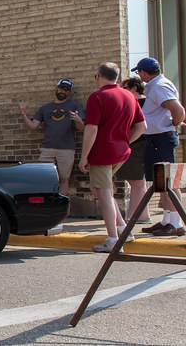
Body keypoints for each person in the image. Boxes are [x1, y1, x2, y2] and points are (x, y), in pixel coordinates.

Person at [79, 62, 147, 253]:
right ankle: (123, 228)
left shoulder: (97, 97)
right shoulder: (129, 96)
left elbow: (91, 129)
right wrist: (126, 141)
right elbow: (142, 126)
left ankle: (113, 239)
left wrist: (84, 156)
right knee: (101, 189)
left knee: (103, 192)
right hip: (121, 153)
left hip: (102, 153)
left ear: (98, 77)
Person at [132, 57, 186, 236]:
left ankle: (176, 223)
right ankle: (166, 220)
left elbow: (178, 111)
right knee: (160, 182)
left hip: (161, 138)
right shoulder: (155, 86)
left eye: (138, 72)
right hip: (155, 139)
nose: (139, 76)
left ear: (144, 72)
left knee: (168, 182)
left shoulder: (160, 86)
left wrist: (174, 123)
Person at [18, 79, 84, 196]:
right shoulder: (45, 108)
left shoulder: (74, 106)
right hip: (47, 148)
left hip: (66, 149)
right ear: (56, 88)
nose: (63, 91)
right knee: (43, 177)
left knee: (64, 179)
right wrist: (24, 115)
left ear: (69, 92)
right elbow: (33, 126)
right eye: (61, 88)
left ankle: (60, 204)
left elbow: (81, 128)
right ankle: (47, 204)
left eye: (66, 90)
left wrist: (78, 120)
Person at [116, 77, 149, 223]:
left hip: (136, 145)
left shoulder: (140, 103)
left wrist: (127, 142)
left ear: (135, 88)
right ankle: (141, 215)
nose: (123, 91)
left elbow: (140, 126)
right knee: (138, 182)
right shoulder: (148, 102)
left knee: (136, 182)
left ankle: (137, 216)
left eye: (126, 87)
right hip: (141, 145)